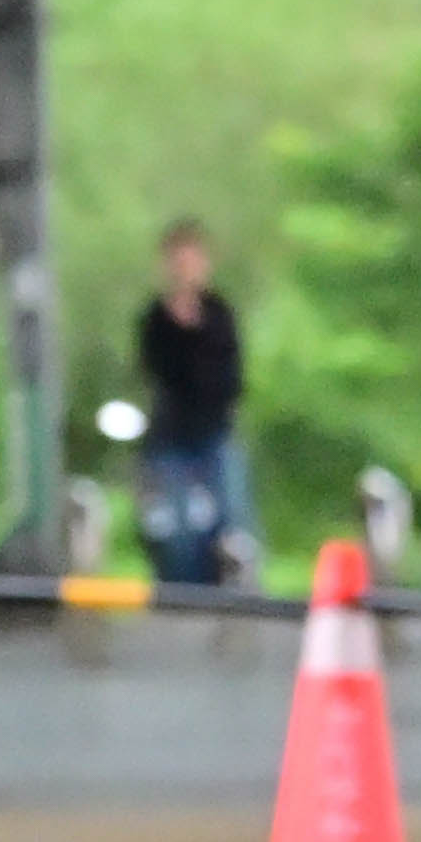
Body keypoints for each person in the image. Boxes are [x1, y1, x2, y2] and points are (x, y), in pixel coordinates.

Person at [133, 220, 250, 589]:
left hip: (214, 432)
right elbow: (156, 372)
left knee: (233, 521)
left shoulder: (219, 314)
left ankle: (234, 589)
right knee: (174, 529)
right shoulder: (156, 319)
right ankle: (179, 592)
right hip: (171, 437)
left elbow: (229, 376)